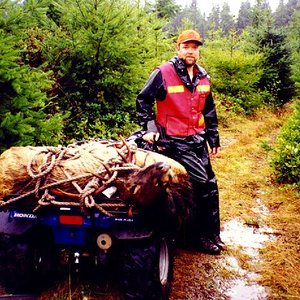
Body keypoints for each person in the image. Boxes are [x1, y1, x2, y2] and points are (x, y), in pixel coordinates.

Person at [136, 29, 225, 255]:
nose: (190, 51)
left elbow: (209, 109)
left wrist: (213, 136)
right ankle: (195, 238)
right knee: (200, 185)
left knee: (211, 186)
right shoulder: (164, 72)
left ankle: (212, 234)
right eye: (186, 47)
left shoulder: (203, 76)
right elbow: (143, 99)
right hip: (174, 141)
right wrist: (149, 128)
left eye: (194, 47)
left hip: (197, 139)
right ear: (178, 48)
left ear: (198, 51)